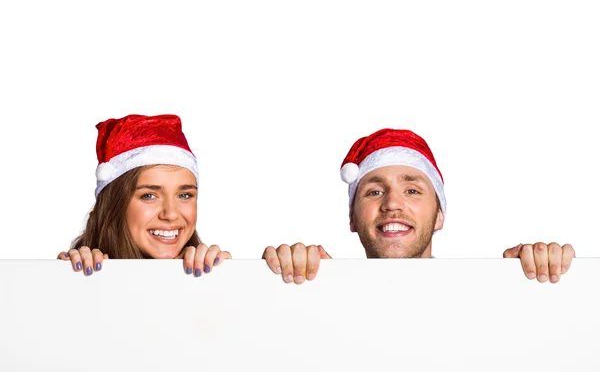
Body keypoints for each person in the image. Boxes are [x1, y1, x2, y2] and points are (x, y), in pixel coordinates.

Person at [262, 128, 575, 284]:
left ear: (440, 215)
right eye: (373, 192)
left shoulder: (490, 298)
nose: (392, 204)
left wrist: (545, 279)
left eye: (411, 189)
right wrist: (246, 280)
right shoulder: (319, 300)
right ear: (352, 218)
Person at [57, 114, 231, 277]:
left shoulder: (213, 272)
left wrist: (234, 281)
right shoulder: (78, 272)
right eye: (149, 195)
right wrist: (66, 281)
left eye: (184, 195)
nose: (170, 214)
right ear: (114, 206)